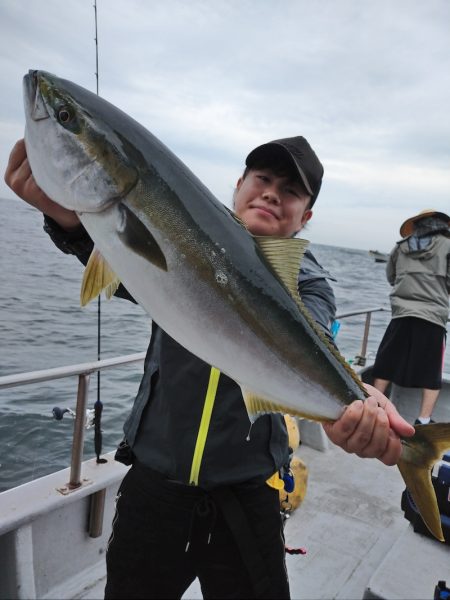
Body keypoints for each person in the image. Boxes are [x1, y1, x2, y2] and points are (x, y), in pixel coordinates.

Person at [5, 136, 414, 600]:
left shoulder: (309, 283)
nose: (271, 193)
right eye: (261, 178)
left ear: (306, 217)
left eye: (290, 190)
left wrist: (353, 400)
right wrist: (70, 221)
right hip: (154, 484)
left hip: (248, 491)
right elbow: (124, 263)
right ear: (238, 186)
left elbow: (312, 341)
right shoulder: (176, 245)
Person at [373, 209, 450, 425]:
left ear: (417, 224)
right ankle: (423, 420)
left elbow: (391, 277)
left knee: (385, 365)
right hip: (433, 318)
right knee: (432, 372)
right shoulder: (448, 246)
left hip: (401, 315)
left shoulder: (400, 247)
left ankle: (375, 409)